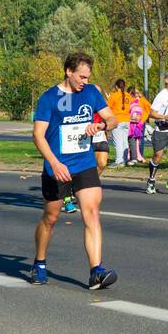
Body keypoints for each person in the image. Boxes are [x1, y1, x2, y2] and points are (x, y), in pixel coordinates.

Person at [29, 51, 119, 290]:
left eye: (88, 77)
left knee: (91, 213)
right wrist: (55, 163)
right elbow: (38, 135)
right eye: (81, 77)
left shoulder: (91, 93)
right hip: (56, 167)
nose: (85, 82)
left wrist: (101, 124)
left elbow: (113, 119)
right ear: (68, 72)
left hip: (85, 163)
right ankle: (39, 263)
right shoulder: (50, 98)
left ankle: (96, 271)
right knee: (51, 218)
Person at [107, 80, 130, 167]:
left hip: (117, 120)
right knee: (125, 142)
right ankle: (125, 160)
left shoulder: (114, 96)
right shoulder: (128, 95)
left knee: (118, 142)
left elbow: (107, 108)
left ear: (116, 86)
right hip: (127, 120)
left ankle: (119, 161)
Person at [127, 90, 147, 164]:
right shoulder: (138, 102)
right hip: (139, 125)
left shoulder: (133, 103)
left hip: (133, 126)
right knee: (136, 142)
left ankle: (134, 157)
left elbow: (148, 109)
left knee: (132, 142)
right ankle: (136, 156)